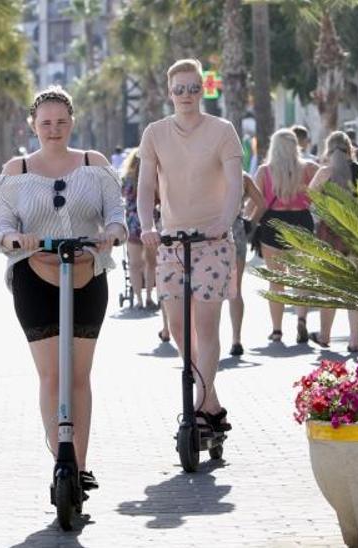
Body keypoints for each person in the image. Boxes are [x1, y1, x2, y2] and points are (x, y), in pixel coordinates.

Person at [0, 86, 126, 494]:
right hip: (35, 277)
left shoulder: (94, 164)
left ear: (72, 123)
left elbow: (116, 216)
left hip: (87, 273)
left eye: (61, 122)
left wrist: (113, 234)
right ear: (33, 125)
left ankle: (80, 465)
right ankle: (61, 462)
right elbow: (1, 228)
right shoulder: (16, 172)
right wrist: (17, 239)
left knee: (79, 376)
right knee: (52, 376)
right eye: (46, 123)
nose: (54, 130)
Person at [137, 58, 244, 434]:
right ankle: (210, 401)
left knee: (206, 325)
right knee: (180, 327)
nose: (186, 95)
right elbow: (146, 184)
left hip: (212, 241)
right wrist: (148, 225)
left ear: (204, 89)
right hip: (171, 241)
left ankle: (200, 405)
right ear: (170, 93)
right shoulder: (154, 133)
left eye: (193, 88)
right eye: (179, 89)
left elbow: (235, 184)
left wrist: (224, 222)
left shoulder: (223, 131)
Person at [254, 129, 317, 346]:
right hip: (301, 220)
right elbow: (321, 191)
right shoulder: (308, 168)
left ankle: (277, 330)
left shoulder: (264, 171)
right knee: (300, 275)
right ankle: (301, 319)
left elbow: (256, 202)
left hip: (273, 223)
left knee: (276, 279)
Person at [307, 130, 358, 353]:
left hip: (329, 235)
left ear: (328, 149)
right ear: (349, 148)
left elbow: (310, 198)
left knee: (329, 289)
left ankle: (325, 336)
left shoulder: (324, 173)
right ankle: (354, 341)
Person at [228, 170, 266, 356]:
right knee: (235, 289)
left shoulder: (206, 172)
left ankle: (208, 339)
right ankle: (236, 339)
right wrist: (250, 223)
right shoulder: (242, 177)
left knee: (208, 292)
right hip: (236, 230)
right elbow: (261, 204)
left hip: (208, 231)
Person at [121, 148, 159, 311]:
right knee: (151, 263)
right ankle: (149, 296)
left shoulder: (127, 179)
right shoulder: (155, 177)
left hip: (133, 224)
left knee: (135, 264)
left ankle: (138, 299)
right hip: (151, 222)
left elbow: (123, 196)